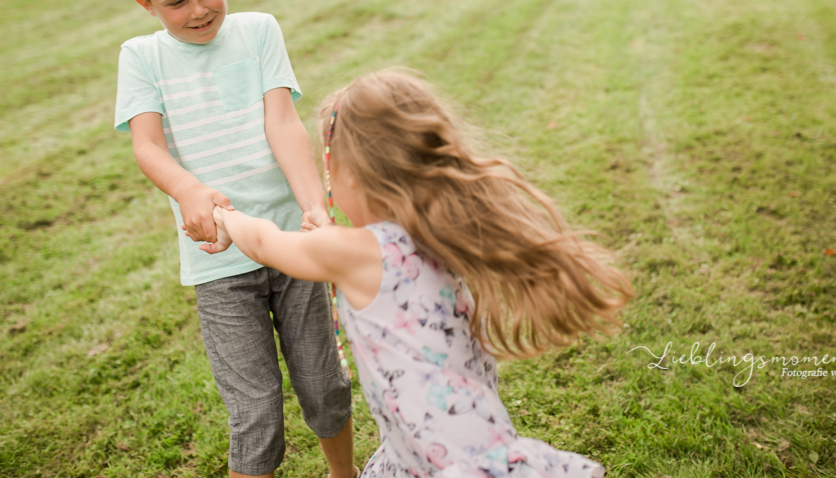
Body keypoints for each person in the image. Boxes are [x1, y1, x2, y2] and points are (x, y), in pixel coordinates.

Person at [200, 69, 635, 477]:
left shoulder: (353, 253)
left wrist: (226, 216)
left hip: (439, 460)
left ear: (352, 174)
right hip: (457, 440)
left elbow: (264, 244)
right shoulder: (444, 232)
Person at [112, 0, 355, 478]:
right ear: (145, 4)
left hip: (292, 245)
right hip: (218, 260)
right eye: (176, 3)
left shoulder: (259, 30)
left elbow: (283, 123)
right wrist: (188, 189)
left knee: (323, 385)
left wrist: (314, 206)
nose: (198, 10)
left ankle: (346, 473)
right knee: (256, 412)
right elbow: (147, 146)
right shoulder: (141, 57)